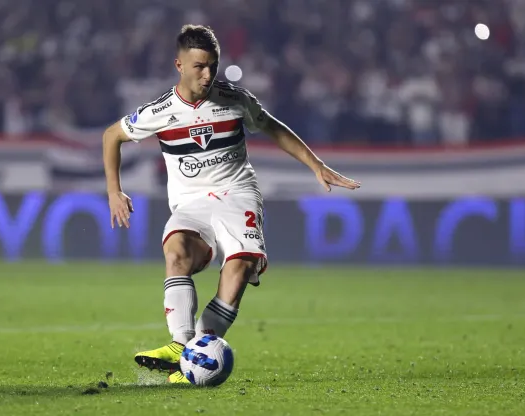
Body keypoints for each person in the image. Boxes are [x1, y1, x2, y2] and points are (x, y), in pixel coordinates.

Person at [102, 24, 360, 384]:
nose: (207, 74)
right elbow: (111, 135)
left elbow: (272, 127)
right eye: (199, 67)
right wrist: (114, 190)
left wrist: (315, 164)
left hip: (237, 194)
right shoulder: (159, 111)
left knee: (238, 268)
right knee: (176, 252)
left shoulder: (235, 99)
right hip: (191, 203)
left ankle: (198, 351)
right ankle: (182, 347)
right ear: (179, 65)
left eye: (213, 66)